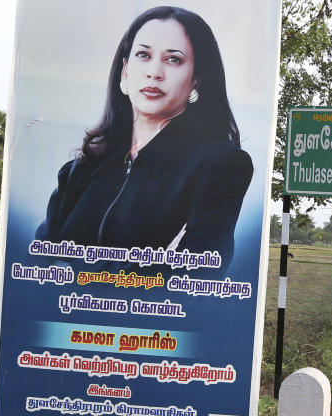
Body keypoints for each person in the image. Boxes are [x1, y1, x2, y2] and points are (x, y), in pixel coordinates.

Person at [35, 6, 253, 269]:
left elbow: (197, 275)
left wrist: (75, 274)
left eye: (173, 59)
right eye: (143, 55)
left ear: (196, 78)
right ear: (125, 70)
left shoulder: (221, 166)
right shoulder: (79, 170)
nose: (154, 72)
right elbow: (40, 263)